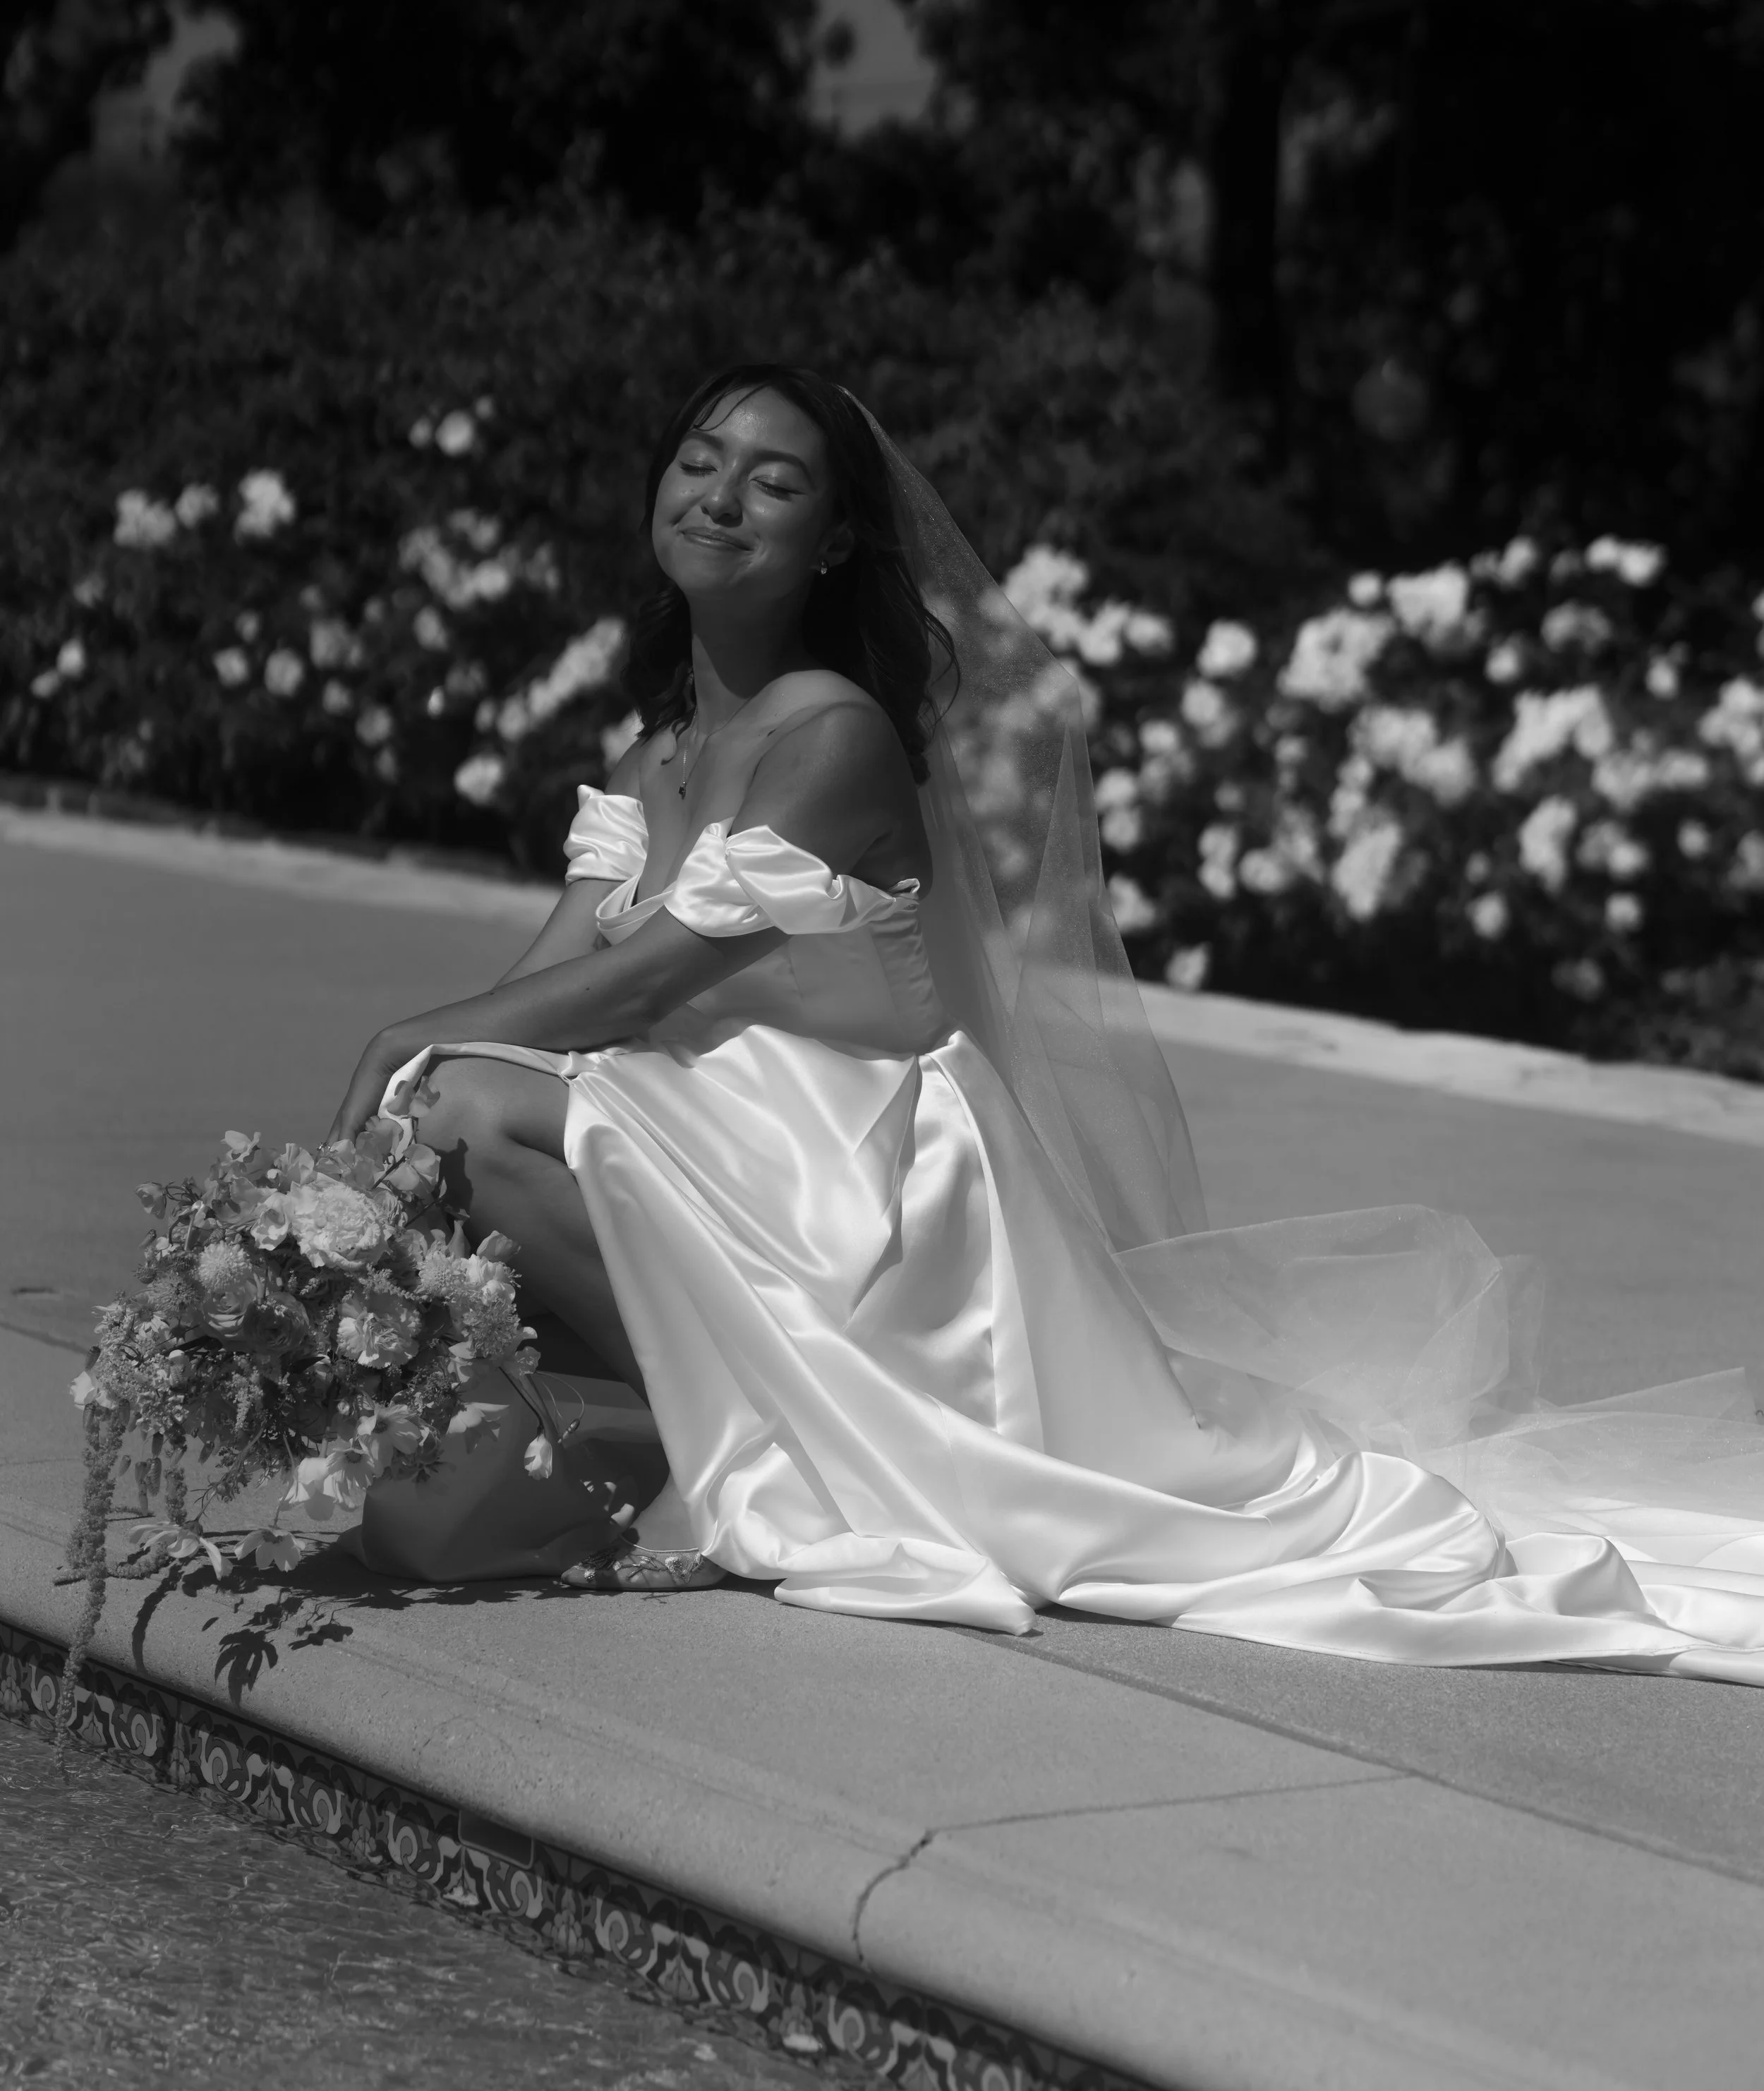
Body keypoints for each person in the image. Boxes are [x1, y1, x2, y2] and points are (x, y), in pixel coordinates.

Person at [329, 363, 1764, 1675]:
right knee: (441, 1111)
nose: (720, 496)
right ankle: (714, 1424)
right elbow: (548, 987)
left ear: (832, 540)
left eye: (773, 481)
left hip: (862, 1173)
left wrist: (407, 1048)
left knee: (453, 1103)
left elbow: (643, 985)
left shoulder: (832, 734)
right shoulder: (655, 756)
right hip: (730, 1137)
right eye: (699, 462)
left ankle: (785, 1439)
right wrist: (356, 1162)